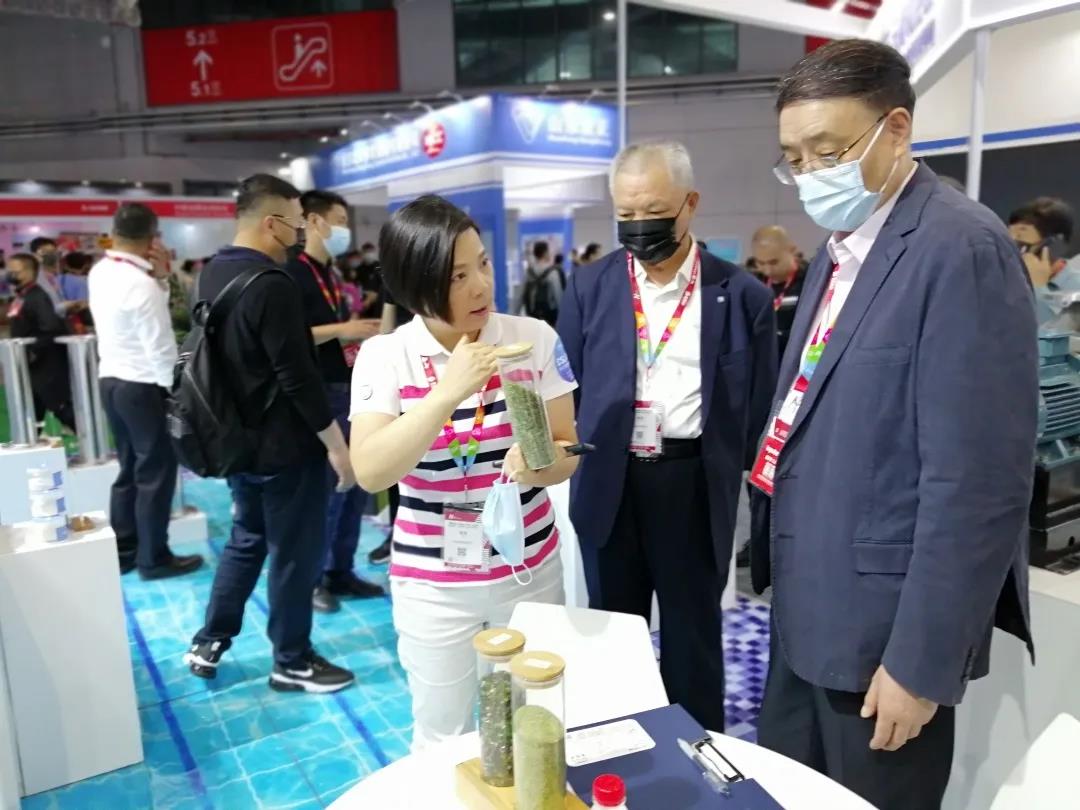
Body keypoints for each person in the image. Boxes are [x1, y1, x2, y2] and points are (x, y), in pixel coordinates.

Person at [750, 40, 1037, 810]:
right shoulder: (840, 251)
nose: (811, 174)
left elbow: (978, 484)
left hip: (882, 642)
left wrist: (920, 662)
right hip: (806, 610)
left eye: (829, 151)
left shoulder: (960, 248)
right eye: (794, 159)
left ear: (897, 128)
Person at [557, 141, 777, 733]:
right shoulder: (588, 288)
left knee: (693, 634)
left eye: (653, 211)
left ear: (690, 203)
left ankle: (696, 751)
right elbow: (566, 389)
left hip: (693, 482)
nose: (639, 225)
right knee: (612, 632)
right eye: (625, 214)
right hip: (609, 481)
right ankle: (615, 747)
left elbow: (758, 407)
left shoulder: (743, 296)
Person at [349, 195, 581, 750]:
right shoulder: (386, 356)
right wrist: (448, 391)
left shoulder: (533, 339)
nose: (481, 286)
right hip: (432, 583)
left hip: (528, 569)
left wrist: (540, 465)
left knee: (535, 722)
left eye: (483, 264)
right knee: (443, 734)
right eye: (457, 276)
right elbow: (372, 471)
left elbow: (568, 449)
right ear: (415, 284)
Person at [185, 174, 357, 694]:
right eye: (297, 221)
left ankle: (210, 639)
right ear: (270, 222)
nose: (301, 232)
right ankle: (292, 660)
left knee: (247, 538)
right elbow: (297, 377)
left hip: (237, 440)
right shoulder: (273, 283)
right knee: (295, 553)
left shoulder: (212, 273)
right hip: (286, 447)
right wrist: (337, 446)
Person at [88, 204, 202, 579]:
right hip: (143, 386)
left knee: (130, 468)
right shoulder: (140, 284)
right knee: (156, 471)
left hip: (112, 381)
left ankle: (125, 550)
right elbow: (160, 347)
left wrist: (161, 279)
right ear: (153, 239)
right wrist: (175, 390)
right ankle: (154, 558)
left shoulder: (101, 270)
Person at [284, 189, 385, 613]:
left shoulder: (331, 273)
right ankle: (313, 580)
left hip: (348, 387)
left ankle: (340, 570)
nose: (345, 230)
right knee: (328, 489)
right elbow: (288, 337)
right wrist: (343, 330)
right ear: (314, 221)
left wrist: (355, 332)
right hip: (319, 392)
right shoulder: (293, 273)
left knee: (354, 486)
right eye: (339, 221)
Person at [6, 253, 75, 431]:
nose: (10, 274)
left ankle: (88, 440)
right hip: (32, 365)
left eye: (15, 271)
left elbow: (51, 328)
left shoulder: (37, 297)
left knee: (60, 407)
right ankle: (31, 443)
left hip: (46, 364)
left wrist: (32, 351)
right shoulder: (21, 296)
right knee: (33, 409)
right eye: (9, 270)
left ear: (30, 272)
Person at [1007, 197, 1079, 325]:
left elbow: (1049, 334)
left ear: (1055, 246)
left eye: (1022, 246)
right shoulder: (1006, 281)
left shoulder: (1076, 288)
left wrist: (1038, 288)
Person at [749, 225, 809, 358]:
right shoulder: (752, 284)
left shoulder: (811, 281)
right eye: (761, 263)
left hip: (796, 358)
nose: (768, 270)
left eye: (774, 262)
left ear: (791, 251)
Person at [521, 240, 565, 325]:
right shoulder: (552, 272)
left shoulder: (529, 272)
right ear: (545, 253)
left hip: (533, 313)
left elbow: (521, 295)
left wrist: (514, 314)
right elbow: (558, 295)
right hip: (549, 314)